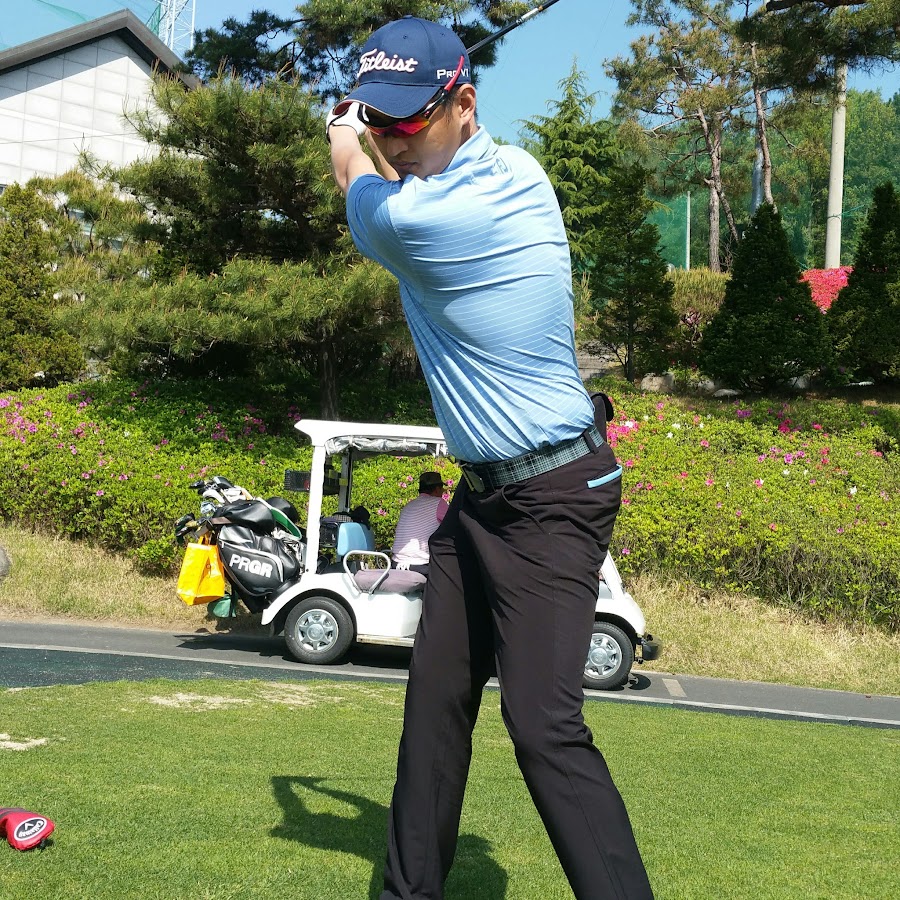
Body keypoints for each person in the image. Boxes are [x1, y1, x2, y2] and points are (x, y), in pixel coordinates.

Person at [326, 16, 653, 900]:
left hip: (555, 493)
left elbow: (357, 177)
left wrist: (344, 128)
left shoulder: (435, 217)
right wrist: (379, 123)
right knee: (435, 701)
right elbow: (398, 164)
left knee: (544, 727)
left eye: (408, 119)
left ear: (464, 104)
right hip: (483, 499)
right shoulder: (514, 171)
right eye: (380, 118)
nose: (393, 136)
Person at [391, 471, 449, 576]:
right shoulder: (439, 503)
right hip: (420, 565)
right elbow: (454, 526)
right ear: (437, 489)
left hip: (396, 563)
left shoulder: (408, 506)